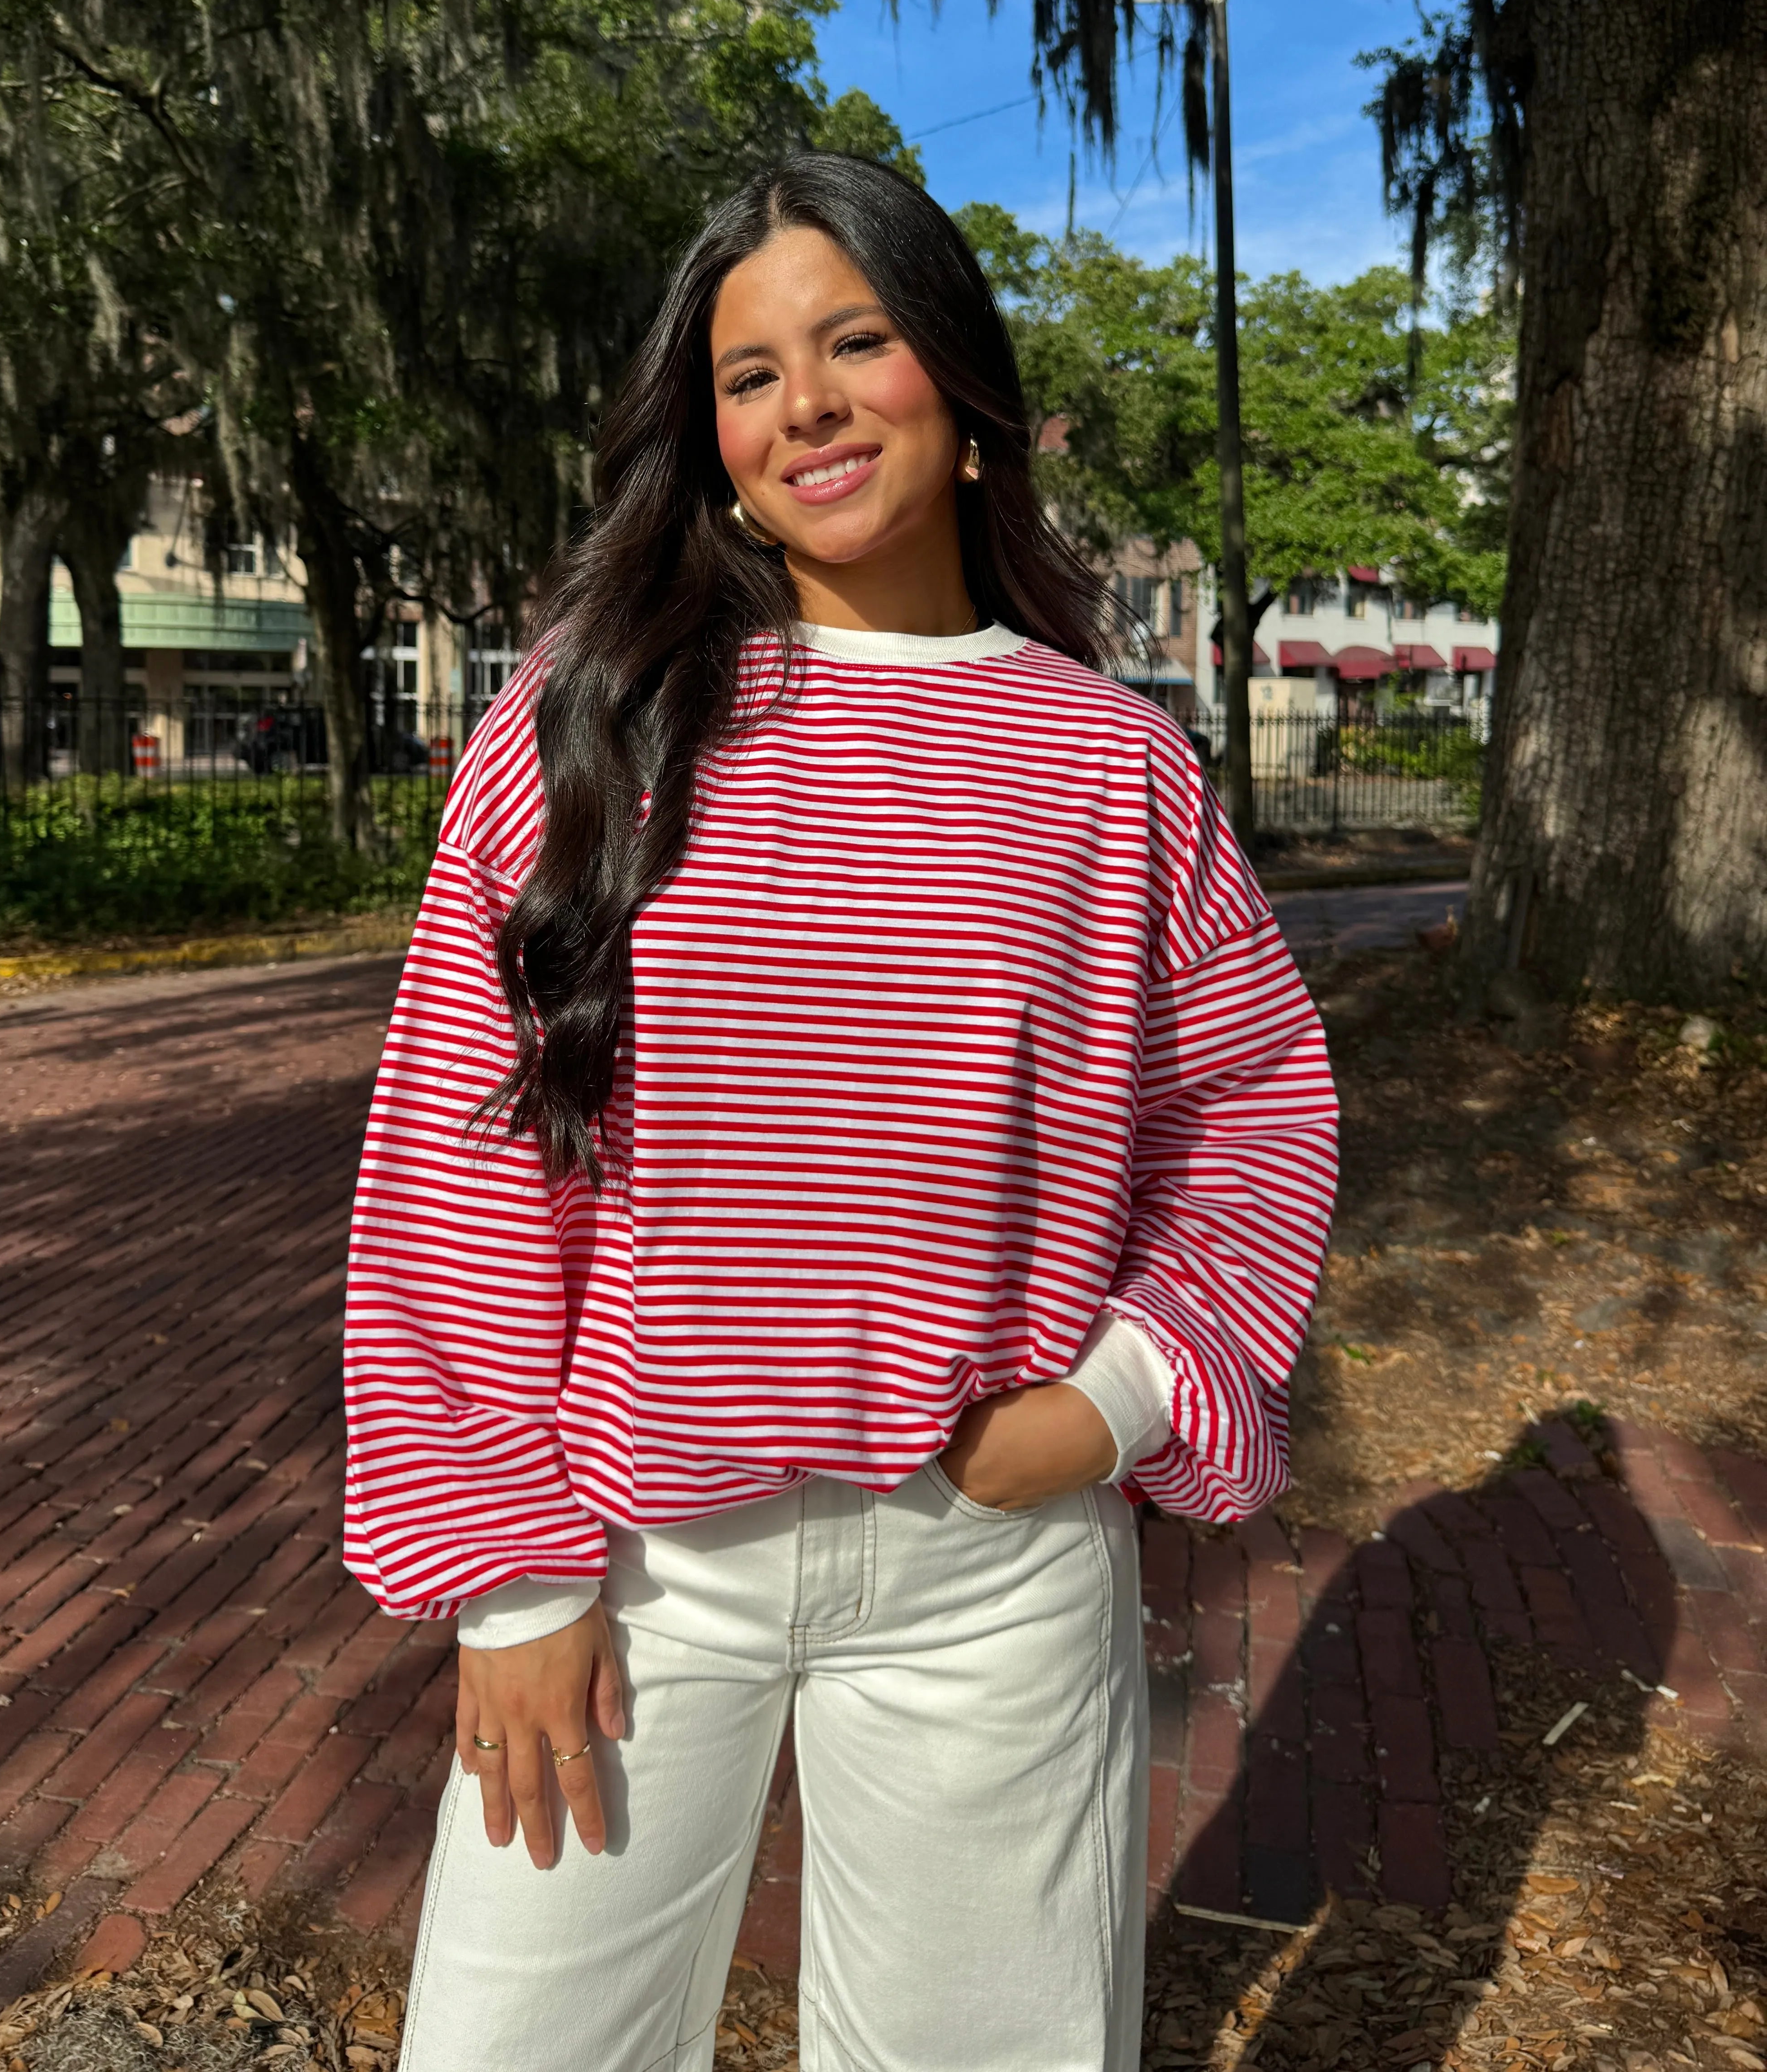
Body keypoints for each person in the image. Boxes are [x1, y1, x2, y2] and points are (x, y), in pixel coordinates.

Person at [343, 155, 1337, 2072]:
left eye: (855, 342)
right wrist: (513, 1579)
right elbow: (464, 1162)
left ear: (962, 397)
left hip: (990, 1570)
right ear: (709, 445)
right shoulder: (591, 722)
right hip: (635, 1560)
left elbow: (1251, 1111)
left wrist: (1117, 1404)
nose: (802, 403)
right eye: (747, 374)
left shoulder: (1112, 762)